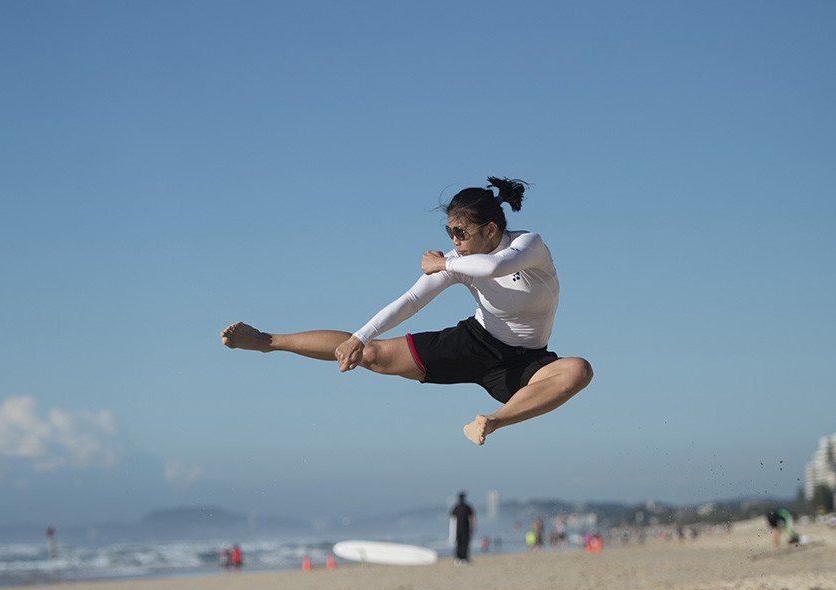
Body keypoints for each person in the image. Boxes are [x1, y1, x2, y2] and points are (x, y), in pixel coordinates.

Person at [222, 177, 592, 445]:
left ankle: (490, 423)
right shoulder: (457, 260)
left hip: (525, 362)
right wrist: (359, 337)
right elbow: (412, 300)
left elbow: (494, 269)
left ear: (492, 229)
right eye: (449, 232)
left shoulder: (529, 246)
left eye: (461, 233)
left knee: (577, 370)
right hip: (475, 343)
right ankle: (268, 341)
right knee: (370, 355)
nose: (454, 242)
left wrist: (445, 266)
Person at [450, 492, 476, 564]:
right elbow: (471, 518)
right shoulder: (467, 507)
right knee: (464, 543)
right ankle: (463, 557)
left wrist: (452, 530)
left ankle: (459, 557)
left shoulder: (456, 507)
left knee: (459, 543)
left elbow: (452, 517)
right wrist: (473, 527)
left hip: (458, 529)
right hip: (465, 528)